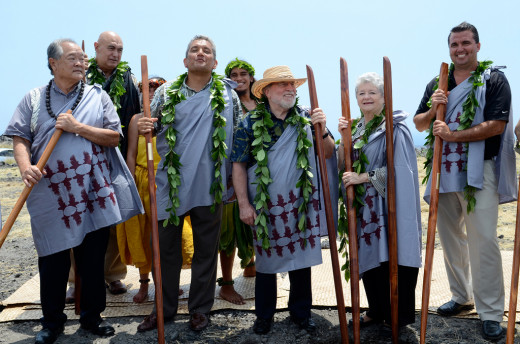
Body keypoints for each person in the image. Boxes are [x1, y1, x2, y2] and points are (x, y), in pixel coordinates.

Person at [3, 39, 142, 344]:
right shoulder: (34, 98)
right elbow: (19, 138)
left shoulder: (97, 95)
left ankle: (92, 318)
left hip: (91, 190)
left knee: (92, 259)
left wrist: (78, 127)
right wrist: (26, 167)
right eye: (72, 58)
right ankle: (52, 322)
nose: (81, 63)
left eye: (82, 58)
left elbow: (112, 137)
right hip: (49, 192)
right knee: (52, 258)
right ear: (53, 63)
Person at [414, 22, 516, 340]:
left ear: (478, 46)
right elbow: (419, 124)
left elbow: (497, 124)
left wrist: (453, 135)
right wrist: (433, 110)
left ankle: (490, 312)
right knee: (450, 238)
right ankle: (461, 296)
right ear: (449, 49)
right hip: (442, 170)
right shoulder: (438, 82)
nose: (460, 49)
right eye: (455, 44)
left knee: (483, 240)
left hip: (479, 169)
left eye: (466, 43)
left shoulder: (494, 79)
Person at [136, 35, 241, 332]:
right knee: (165, 250)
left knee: (206, 250)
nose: (200, 53)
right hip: (171, 183)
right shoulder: (167, 92)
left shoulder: (227, 94)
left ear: (215, 62)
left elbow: (235, 136)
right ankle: (164, 309)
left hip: (210, 181)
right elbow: (151, 128)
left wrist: (234, 177)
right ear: (185, 61)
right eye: (194, 49)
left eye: (207, 51)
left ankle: (199, 309)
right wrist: (144, 125)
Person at [232, 65, 336, 334]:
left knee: (301, 257)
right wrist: (243, 203)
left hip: (301, 200)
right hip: (265, 204)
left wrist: (321, 128)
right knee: (266, 260)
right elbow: (239, 165)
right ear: (266, 91)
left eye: (292, 84)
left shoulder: (305, 118)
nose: (291, 88)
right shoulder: (249, 123)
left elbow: (327, 153)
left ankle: (301, 312)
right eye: (282, 84)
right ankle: (264, 315)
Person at [338, 72, 422, 329]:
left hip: (389, 208)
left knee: (391, 257)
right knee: (370, 258)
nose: (366, 97)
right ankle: (376, 309)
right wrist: (343, 139)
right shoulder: (355, 129)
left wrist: (363, 177)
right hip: (364, 208)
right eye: (361, 93)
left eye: (372, 92)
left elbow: (400, 170)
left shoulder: (395, 127)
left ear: (384, 97)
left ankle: (396, 316)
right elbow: (342, 167)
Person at [116, 77, 194, 303]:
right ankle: (143, 284)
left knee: (170, 234)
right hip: (141, 180)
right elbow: (131, 153)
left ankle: (170, 283)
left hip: (166, 180)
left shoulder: (173, 116)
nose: (150, 93)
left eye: (155, 89)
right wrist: (130, 185)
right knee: (144, 233)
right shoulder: (135, 120)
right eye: (146, 89)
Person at [79, 31, 141, 296]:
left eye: (120, 50)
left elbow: (135, 119)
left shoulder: (128, 79)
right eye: (111, 48)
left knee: (114, 217)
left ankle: (114, 275)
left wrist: (130, 160)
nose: (115, 54)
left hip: (115, 157)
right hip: (82, 158)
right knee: (79, 218)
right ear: (95, 47)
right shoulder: (80, 74)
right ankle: (76, 280)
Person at [214, 58, 260, 305]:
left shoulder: (262, 104)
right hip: (232, 171)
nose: (240, 77)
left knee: (258, 219)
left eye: (244, 73)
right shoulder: (223, 102)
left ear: (252, 78)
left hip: (260, 171)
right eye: (234, 74)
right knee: (228, 228)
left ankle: (251, 264)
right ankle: (227, 284)